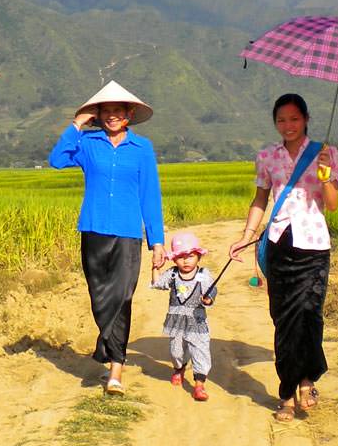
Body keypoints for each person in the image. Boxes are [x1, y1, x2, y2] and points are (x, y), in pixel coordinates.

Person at [228, 93, 338, 421]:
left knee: (310, 314)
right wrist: (246, 236)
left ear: (306, 119)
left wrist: (324, 176)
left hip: (314, 246)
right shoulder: (267, 156)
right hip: (279, 244)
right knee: (284, 319)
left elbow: (333, 204)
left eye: (294, 119)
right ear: (275, 122)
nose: (288, 125)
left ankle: (307, 380)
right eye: (281, 120)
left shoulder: (326, 153)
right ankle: (288, 394)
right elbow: (260, 199)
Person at [49, 80, 166, 395]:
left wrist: (157, 242)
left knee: (122, 296)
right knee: (100, 297)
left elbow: (150, 196)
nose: (112, 115)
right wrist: (77, 123)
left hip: (128, 234)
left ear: (129, 114)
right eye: (106, 111)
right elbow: (57, 160)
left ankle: (116, 368)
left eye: (118, 110)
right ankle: (108, 346)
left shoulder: (142, 149)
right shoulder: (88, 143)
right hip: (94, 229)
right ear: (98, 115)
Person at [151, 232, 217, 402]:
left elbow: (212, 290)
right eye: (181, 257)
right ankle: (179, 368)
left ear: (198, 257)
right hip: (176, 321)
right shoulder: (173, 274)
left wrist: (208, 299)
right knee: (176, 351)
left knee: (200, 350)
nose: (186, 261)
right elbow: (157, 283)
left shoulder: (203, 274)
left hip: (197, 321)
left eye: (190, 256)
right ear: (174, 259)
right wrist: (155, 268)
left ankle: (199, 383)